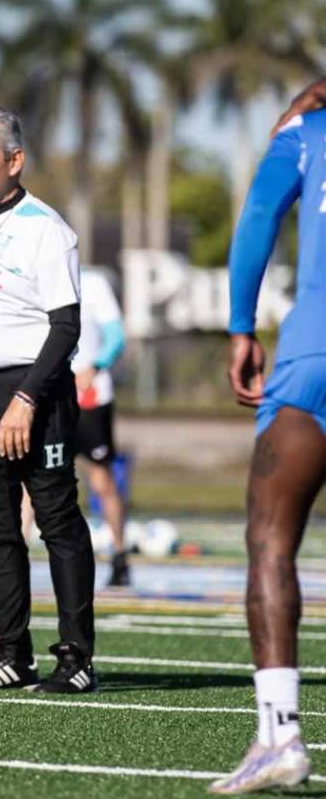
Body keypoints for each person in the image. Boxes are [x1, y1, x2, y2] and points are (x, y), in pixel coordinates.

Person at [0, 107, 97, 694]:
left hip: (35, 392)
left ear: (15, 161)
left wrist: (27, 398)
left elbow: (66, 326)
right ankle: (12, 654)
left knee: (57, 521)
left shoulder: (45, 229)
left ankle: (76, 660)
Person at [208, 101, 326, 793]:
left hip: (313, 358)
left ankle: (280, 735)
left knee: (271, 543)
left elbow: (257, 218)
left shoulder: (305, 132)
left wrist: (240, 326)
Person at [21, 267, 130, 586]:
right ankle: (15, 554)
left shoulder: (93, 283)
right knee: (30, 478)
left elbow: (115, 335)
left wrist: (95, 366)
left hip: (89, 397)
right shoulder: (35, 278)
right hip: (49, 393)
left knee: (101, 478)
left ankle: (119, 556)